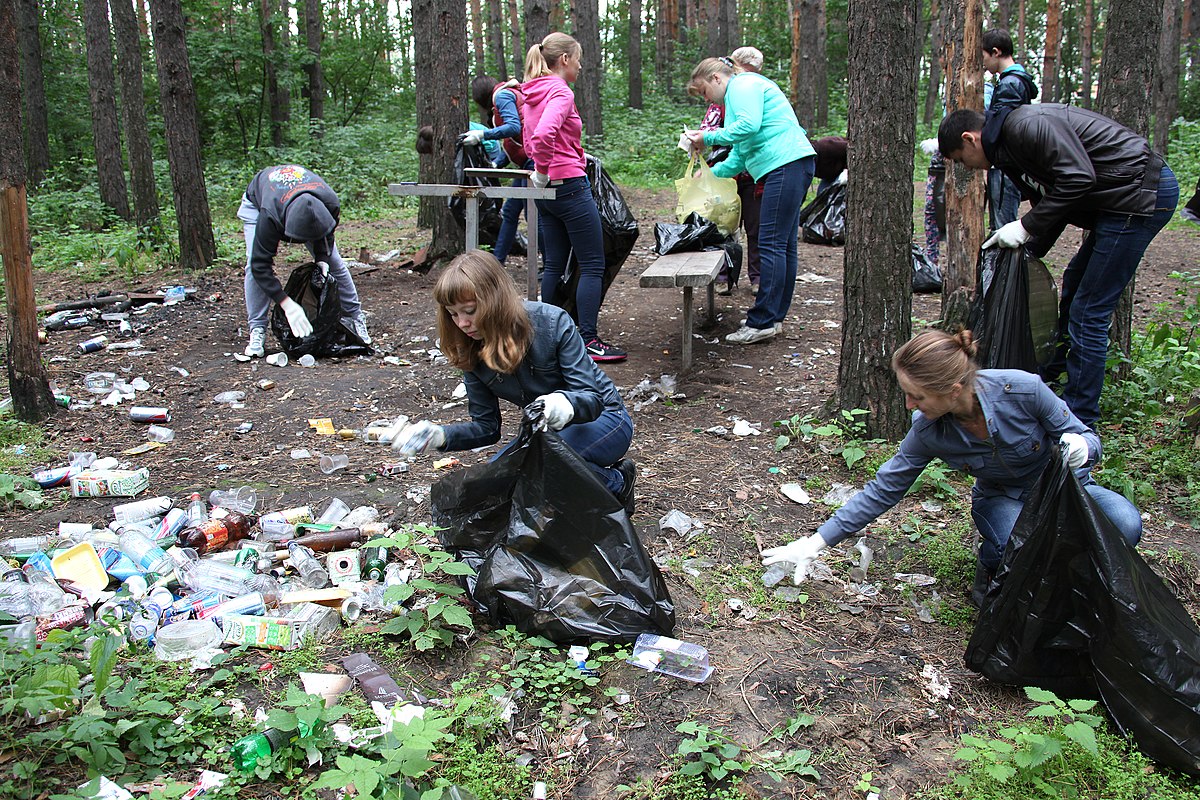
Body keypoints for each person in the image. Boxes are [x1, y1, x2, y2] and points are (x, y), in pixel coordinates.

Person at [761, 329, 1143, 604]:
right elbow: (884, 488)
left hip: (1063, 493)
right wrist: (817, 541)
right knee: (1021, 545)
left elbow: (1088, 438)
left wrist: (1082, 447)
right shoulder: (929, 431)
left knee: (1124, 523)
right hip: (1003, 498)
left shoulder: (1023, 390)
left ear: (954, 390)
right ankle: (994, 568)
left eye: (917, 396)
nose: (909, 405)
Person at [937, 106, 1178, 428]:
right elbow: (1054, 199)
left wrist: (1025, 227)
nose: (966, 166)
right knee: (1076, 281)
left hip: (1139, 196)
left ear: (970, 139)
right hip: (1117, 203)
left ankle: (1079, 420)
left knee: (1089, 309)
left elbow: (1078, 179)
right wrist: (1027, 247)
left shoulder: (1026, 127)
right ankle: (1051, 381)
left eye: (960, 158)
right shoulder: (1007, 151)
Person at [392, 250, 636, 513]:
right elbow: (487, 428)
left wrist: (562, 403)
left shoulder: (551, 322)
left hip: (605, 419)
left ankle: (618, 481)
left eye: (470, 311)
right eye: (452, 314)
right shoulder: (470, 348)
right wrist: (439, 436)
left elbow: (592, 398)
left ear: (494, 301)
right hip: (544, 433)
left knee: (543, 470)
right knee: (495, 484)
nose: (462, 323)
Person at [683, 57, 815, 345]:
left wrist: (707, 137)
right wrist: (708, 175)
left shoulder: (742, 85)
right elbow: (740, 155)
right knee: (783, 245)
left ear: (717, 78)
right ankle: (773, 317)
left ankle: (762, 321)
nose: (707, 99)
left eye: (705, 91)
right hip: (791, 164)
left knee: (770, 244)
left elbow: (750, 126)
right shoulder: (737, 100)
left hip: (785, 165)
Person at [521, 32, 626, 362]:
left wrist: (540, 172)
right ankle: (588, 340)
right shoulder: (560, 91)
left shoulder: (531, 91)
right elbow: (542, 135)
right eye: (578, 59)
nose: (580, 66)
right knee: (593, 264)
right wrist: (543, 167)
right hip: (567, 185)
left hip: (544, 192)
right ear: (564, 59)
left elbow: (532, 137)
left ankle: (545, 336)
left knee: (553, 263)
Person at [238, 165, 370, 357]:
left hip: (304, 206)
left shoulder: (330, 203)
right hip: (258, 203)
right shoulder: (270, 216)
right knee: (252, 266)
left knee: (334, 262)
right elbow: (261, 266)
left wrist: (322, 259)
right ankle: (257, 328)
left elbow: (327, 234)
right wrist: (286, 303)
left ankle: (355, 317)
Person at [462, 75, 532, 264]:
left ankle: (550, 265)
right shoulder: (506, 95)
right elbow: (514, 141)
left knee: (534, 215)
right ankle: (497, 261)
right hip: (525, 161)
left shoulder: (501, 97)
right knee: (510, 212)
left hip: (533, 162)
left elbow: (513, 127)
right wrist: (495, 165)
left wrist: (483, 135)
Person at [980, 28, 1038, 229]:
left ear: (996, 52)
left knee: (1002, 225)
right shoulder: (1013, 81)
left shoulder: (1010, 84)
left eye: (984, 56)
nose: (984, 63)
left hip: (1006, 167)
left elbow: (1000, 127)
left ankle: (1005, 262)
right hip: (1007, 165)